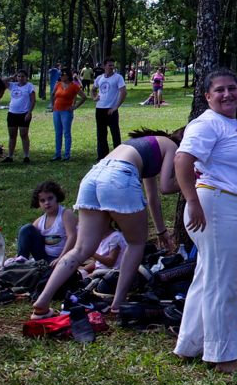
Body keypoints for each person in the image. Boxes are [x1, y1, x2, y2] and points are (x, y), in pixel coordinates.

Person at [31, 127, 179, 319]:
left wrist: (161, 231)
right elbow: (166, 187)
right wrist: (195, 180)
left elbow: (152, 196)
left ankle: (42, 302)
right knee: (136, 243)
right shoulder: (172, 145)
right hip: (119, 178)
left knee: (80, 249)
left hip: (93, 177)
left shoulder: (145, 147)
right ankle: (118, 304)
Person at [175, 68, 237, 374]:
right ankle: (222, 356)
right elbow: (182, 160)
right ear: (207, 97)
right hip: (215, 206)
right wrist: (192, 201)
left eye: (232, 88)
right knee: (224, 282)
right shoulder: (207, 123)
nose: (227, 94)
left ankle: (189, 345)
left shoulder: (234, 124)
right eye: (219, 90)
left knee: (208, 276)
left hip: (231, 208)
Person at [16, 180, 75, 263]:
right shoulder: (40, 221)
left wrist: (61, 258)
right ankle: (20, 261)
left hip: (64, 258)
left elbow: (72, 237)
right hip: (44, 258)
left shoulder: (65, 214)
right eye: (42, 200)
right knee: (26, 229)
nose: (47, 203)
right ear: (38, 203)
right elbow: (27, 238)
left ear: (57, 197)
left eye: (50, 198)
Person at [91, 59, 127, 156]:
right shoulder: (99, 78)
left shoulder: (118, 77)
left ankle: (118, 155)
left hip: (111, 109)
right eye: (110, 65)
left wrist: (116, 107)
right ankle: (102, 155)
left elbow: (123, 92)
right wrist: (94, 97)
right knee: (101, 133)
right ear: (104, 66)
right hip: (100, 109)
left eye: (113, 65)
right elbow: (93, 89)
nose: (112, 67)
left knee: (115, 133)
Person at [49, 71, 85, 161]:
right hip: (57, 111)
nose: (61, 76)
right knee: (58, 133)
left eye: (63, 75)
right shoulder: (58, 84)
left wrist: (75, 107)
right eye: (60, 75)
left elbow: (84, 97)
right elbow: (53, 94)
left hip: (66, 112)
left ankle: (66, 155)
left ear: (68, 76)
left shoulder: (74, 86)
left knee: (66, 133)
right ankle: (57, 154)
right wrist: (53, 105)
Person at [5, 71, 37, 163]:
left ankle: (26, 156)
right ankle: (10, 156)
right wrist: (11, 77)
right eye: (18, 76)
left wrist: (29, 112)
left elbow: (33, 100)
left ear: (26, 77)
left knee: (23, 134)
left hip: (23, 113)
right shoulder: (13, 85)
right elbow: (1, 82)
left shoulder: (29, 86)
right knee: (12, 136)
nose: (20, 78)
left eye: (22, 76)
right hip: (12, 113)